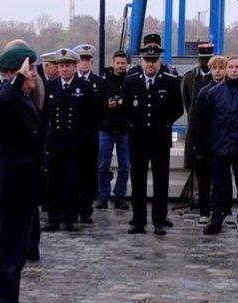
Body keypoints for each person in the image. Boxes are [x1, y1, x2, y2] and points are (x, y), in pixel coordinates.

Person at [0, 48, 45, 303]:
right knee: (6, 256)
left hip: (24, 188)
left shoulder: (22, 98)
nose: (34, 74)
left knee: (18, 255)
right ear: (14, 72)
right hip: (7, 189)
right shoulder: (2, 96)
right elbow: (1, 104)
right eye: (29, 69)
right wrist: (17, 78)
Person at [196, 56, 238, 236]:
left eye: (237, 67)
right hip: (220, 147)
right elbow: (206, 120)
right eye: (230, 67)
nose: (234, 70)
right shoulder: (214, 93)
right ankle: (216, 220)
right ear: (226, 69)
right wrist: (209, 145)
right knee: (218, 187)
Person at [124, 44, 184, 236]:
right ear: (141, 60)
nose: (150, 64)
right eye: (147, 60)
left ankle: (159, 220)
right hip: (138, 139)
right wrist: (133, 124)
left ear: (159, 61)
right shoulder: (131, 80)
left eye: (154, 60)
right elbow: (125, 106)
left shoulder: (170, 81)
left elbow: (178, 108)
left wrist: (165, 123)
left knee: (160, 181)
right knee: (138, 181)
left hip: (160, 138)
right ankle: (138, 220)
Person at [43, 48, 97, 232]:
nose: (64, 69)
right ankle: (53, 218)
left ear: (75, 67)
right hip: (55, 143)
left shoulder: (84, 87)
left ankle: (70, 218)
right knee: (53, 183)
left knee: (72, 182)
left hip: (75, 144)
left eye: (67, 66)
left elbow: (92, 116)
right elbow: (44, 116)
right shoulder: (50, 86)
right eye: (61, 66)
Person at [187, 53, 226, 225]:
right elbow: (196, 120)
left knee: (223, 179)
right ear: (210, 70)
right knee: (204, 179)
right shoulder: (204, 91)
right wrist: (197, 145)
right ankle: (204, 210)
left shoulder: (231, 90)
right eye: (214, 68)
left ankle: (224, 210)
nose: (218, 71)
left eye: (221, 68)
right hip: (207, 141)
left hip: (225, 141)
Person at [72, 43, 105, 224]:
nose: (84, 64)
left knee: (88, 173)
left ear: (91, 62)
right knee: (73, 173)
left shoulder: (99, 83)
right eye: (81, 60)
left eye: (87, 60)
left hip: (90, 136)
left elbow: (102, 109)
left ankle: (86, 209)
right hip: (73, 135)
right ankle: (73, 208)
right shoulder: (71, 81)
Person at [97, 50, 130, 210]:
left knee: (125, 165)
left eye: (123, 63)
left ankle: (120, 196)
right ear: (113, 63)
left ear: (126, 64)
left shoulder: (130, 81)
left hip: (124, 128)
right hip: (106, 127)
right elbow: (96, 103)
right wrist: (106, 105)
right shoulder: (103, 81)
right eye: (118, 63)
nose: (120, 66)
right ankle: (103, 196)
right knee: (103, 165)